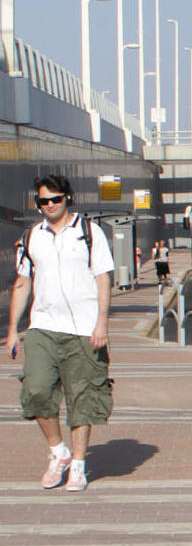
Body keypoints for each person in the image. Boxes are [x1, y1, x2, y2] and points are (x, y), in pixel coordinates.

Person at [6, 175, 116, 492]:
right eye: (44, 200)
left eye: (56, 199)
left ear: (67, 198)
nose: (50, 205)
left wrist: (101, 324)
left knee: (82, 398)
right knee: (37, 391)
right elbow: (23, 282)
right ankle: (59, 452)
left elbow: (102, 279)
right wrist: (13, 330)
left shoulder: (89, 233)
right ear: (37, 203)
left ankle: (79, 465)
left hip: (83, 328)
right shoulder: (31, 237)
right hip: (42, 326)